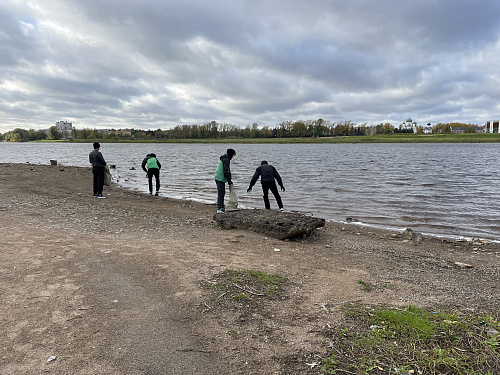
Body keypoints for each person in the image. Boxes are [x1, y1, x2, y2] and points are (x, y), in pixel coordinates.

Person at [214, 148, 236, 213]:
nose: (233, 156)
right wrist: (229, 180)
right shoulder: (226, 159)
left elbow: (227, 171)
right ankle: (219, 208)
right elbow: (225, 171)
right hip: (219, 178)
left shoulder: (225, 158)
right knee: (221, 193)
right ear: (231, 154)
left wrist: (229, 179)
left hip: (220, 178)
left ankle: (221, 207)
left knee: (222, 193)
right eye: (233, 155)